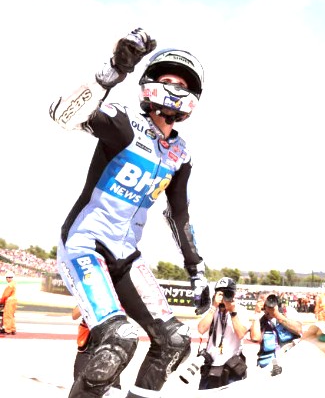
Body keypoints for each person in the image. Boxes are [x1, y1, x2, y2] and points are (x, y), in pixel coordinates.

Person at [48, 28, 211, 397]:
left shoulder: (180, 154)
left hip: (126, 255)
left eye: (183, 84)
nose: (175, 89)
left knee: (175, 341)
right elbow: (61, 115)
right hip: (84, 243)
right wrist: (113, 71)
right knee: (119, 338)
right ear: (149, 84)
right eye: (167, 80)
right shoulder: (124, 123)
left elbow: (179, 216)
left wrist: (197, 272)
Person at [195, 277, 249, 390]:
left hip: (231, 366)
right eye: (220, 293)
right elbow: (201, 329)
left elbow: (241, 334)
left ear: (233, 294)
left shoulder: (241, 310)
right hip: (211, 365)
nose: (224, 297)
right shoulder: (212, 310)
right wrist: (214, 307)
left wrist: (233, 312)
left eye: (227, 293)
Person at [72, 306, 122, 395]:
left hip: (108, 344)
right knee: (79, 383)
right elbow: (74, 315)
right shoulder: (88, 299)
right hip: (87, 344)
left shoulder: (115, 300)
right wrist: (85, 303)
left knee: (112, 388)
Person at [250, 293, 303, 375]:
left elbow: (298, 330)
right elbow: (255, 338)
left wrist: (277, 315)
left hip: (290, 362)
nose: (269, 304)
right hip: (268, 365)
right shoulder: (260, 318)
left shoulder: (288, 311)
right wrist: (256, 314)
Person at [0, 271, 17, 335]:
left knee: (7, 315)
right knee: (11, 315)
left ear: (8, 278)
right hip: (14, 301)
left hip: (9, 301)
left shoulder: (10, 285)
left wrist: (1, 301)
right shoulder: (14, 284)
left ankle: (8, 330)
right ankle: (12, 329)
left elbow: (5, 295)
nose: (6, 279)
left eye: (6, 278)